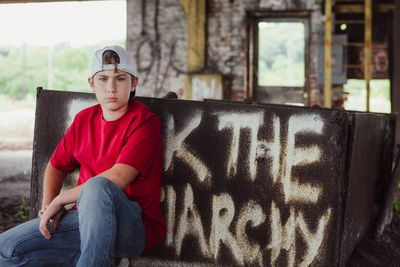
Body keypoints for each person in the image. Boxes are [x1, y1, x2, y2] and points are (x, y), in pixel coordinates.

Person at [0, 45, 167, 266]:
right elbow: (56, 165)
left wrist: (60, 200)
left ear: (133, 83)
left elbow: (118, 177)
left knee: (97, 186)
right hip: (83, 220)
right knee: (6, 250)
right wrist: (47, 207)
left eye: (120, 79)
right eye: (103, 79)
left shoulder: (145, 122)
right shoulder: (84, 120)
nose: (111, 88)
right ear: (92, 83)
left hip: (133, 225)